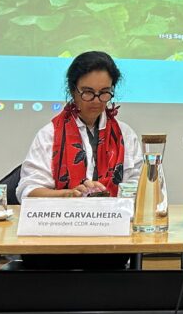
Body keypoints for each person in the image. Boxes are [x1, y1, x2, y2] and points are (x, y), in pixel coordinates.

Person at [16, 51, 142, 270]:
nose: (96, 100)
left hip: (109, 241)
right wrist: (70, 195)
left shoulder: (125, 135)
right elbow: (28, 192)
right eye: (87, 92)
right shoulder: (50, 134)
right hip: (54, 240)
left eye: (104, 93)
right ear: (73, 90)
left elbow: (139, 189)